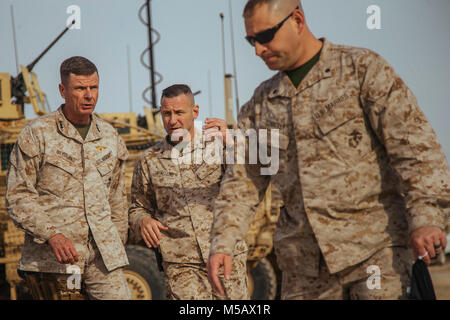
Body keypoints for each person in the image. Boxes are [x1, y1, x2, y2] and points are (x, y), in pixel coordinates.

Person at [207, 0, 450, 300]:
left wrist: (426, 217)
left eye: (266, 36)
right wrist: (223, 244)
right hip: (304, 271)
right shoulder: (261, 106)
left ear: (297, 20)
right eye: (251, 40)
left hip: (376, 256)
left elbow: (415, 148)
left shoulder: (361, 71)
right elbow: (241, 184)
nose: (258, 49)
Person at [6, 56, 131, 300]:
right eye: (80, 88)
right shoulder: (37, 134)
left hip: (103, 261)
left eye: (93, 87)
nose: (88, 95)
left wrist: (116, 239)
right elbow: (18, 196)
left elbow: (117, 197)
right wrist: (52, 234)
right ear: (63, 91)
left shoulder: (109, 136)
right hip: (56, 263)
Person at [128, 84, 248, 300]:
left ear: (195, 112)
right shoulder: (149, 160)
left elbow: (247, 181)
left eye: (179, 112)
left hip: (225, 256)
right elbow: (138, 206)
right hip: (181, 266)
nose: (172, 120)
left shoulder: (219, 146)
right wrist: (142, 220)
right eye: (166, 113)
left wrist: (232, 143)